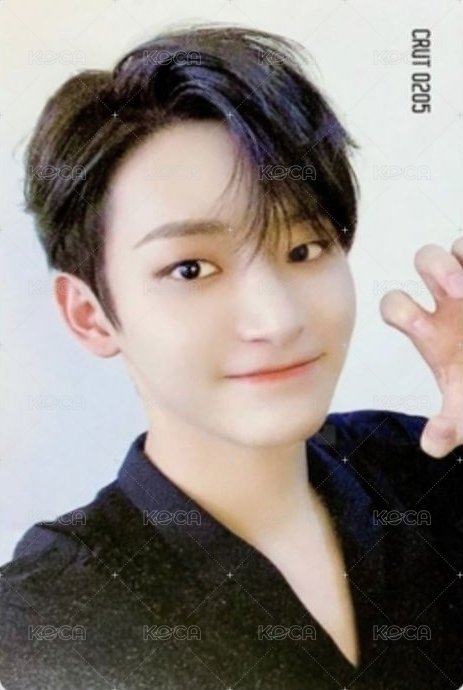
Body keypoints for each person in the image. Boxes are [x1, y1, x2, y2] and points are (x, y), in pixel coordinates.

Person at [1, 21, 463, 690]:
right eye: (190, 269)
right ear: (90, 315)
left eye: (303, 249)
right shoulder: (55, 612)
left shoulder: (425, 469)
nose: (277, 319)